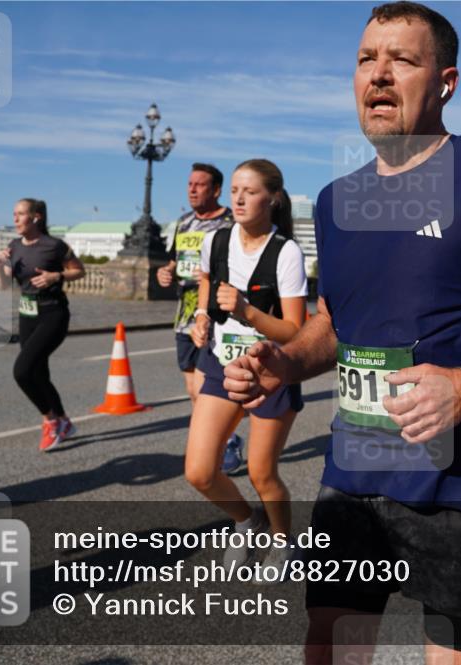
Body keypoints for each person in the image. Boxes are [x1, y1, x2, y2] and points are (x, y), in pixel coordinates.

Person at [223, 4, 461, 662]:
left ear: (446, 82)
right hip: (353, 468)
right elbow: (334, 322)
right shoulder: (336, 201)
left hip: (459, 480)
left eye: (402, 60)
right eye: (367, 59)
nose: (379, 74)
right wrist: (283, 360)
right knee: (330, 647)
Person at [184, 158, 307, 574]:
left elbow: (295, 332)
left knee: (261, 473)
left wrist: (248, 311)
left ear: (272, 197)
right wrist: (202, 316)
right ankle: (246, 521)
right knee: (199, 472)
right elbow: (205, 280)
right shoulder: (216, 241)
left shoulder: (287, 252)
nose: (238, 198)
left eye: (249, 191)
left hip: (269, 373)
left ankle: (282, 542)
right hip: (221, 365)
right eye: (235, 189)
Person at [157, 163, 246, 475]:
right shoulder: (183, 223)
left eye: (200, 184)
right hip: (184, 317)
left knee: (209, 386)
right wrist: (166, 272)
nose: (192, 189)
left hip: (215, 317)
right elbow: (174, 260)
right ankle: (217, 440)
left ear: (216, 190)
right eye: (190, 184)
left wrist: (212, 275)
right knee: (193, 389)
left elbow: (246, 263)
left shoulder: (230, 222)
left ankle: (227, 441)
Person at [0, 198, 85, 451]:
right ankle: (65, 422)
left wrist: (57, 275)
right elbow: (4, 285)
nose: (15, 219)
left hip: (52, 313)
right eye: (14, 213)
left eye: (20, 214)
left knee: (22, 371)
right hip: (27, 314)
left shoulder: (54, 246)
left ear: (36, 218)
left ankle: (50, 421)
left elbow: (80, 271)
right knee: (39, 372)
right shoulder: (13, 246)